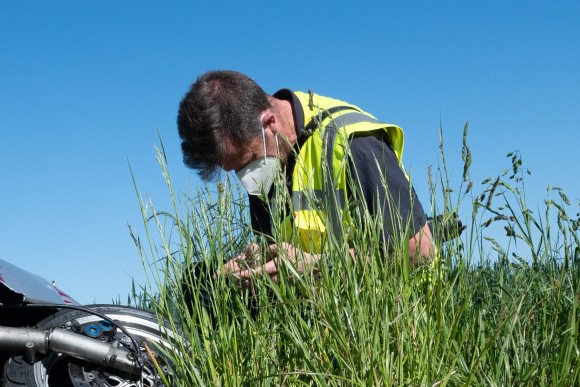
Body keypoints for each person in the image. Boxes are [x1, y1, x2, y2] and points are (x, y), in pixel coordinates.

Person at [176, 70, 436, 282]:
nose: (246, 178)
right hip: (320, 324)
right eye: (235, 171)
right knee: (198, 281)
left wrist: (318, 266)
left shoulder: (353, 142)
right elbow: (283, 253)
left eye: (246, 162)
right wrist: (255, 268)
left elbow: (420, 251)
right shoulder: (266, 156)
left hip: (394, 327)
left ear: (269, 124)